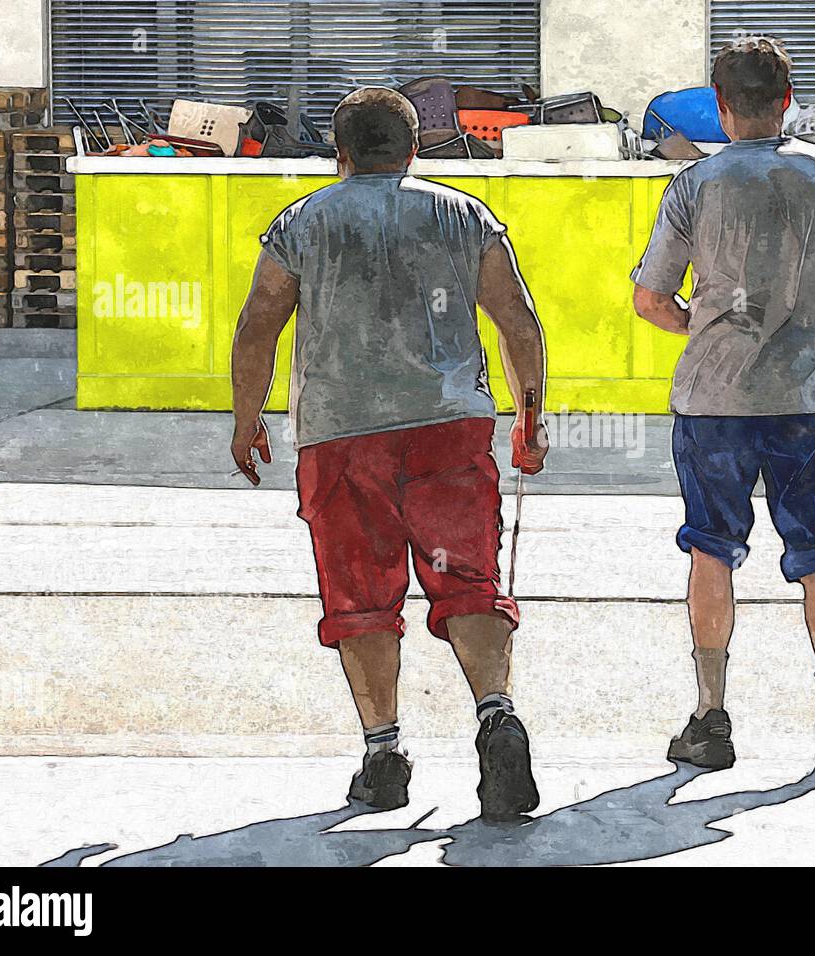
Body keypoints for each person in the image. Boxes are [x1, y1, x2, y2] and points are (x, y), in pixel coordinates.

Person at [230, 87, 548, 820]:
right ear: (414, 149)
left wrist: (248, 419)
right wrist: (529, 416)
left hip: (343, 439)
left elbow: (258, 327)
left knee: (361, 597)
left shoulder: (302, 223)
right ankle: (496, 714)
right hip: (449, 431)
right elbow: (517, 320)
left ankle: (383, 755)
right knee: (467, 580)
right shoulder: (463, 215)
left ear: (339, 152)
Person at [631, 36, 815, 780]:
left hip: (713, 401)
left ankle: (711, 719)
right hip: (806, 401)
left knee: (711, 549)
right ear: (788, 101)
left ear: (721, 106)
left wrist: (709, 328)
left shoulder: (694, 184)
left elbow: (651, 299)